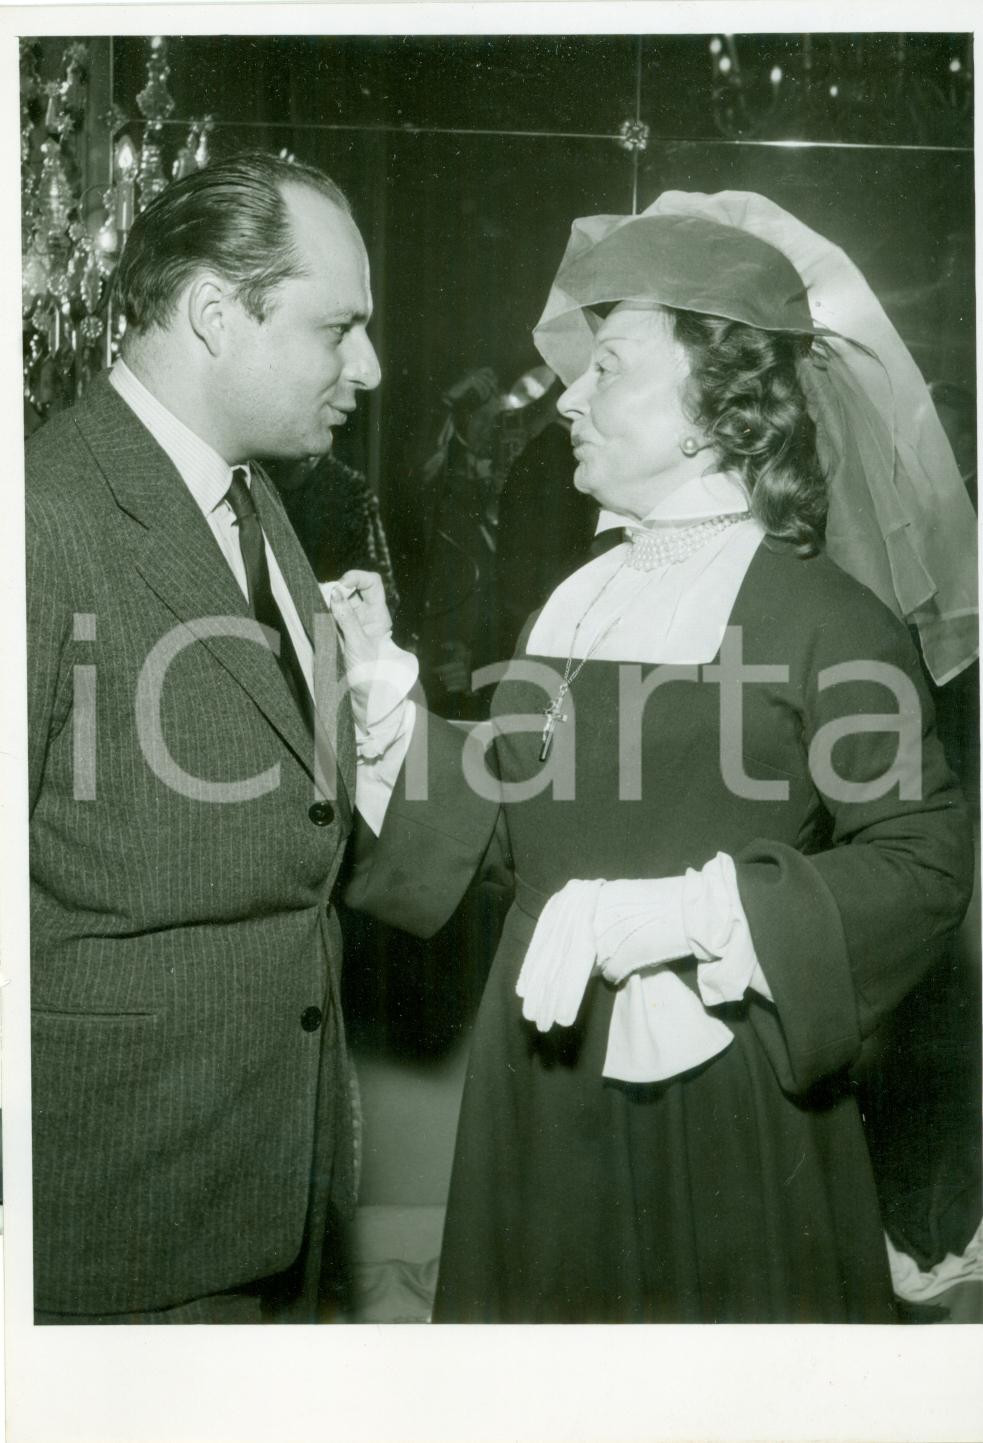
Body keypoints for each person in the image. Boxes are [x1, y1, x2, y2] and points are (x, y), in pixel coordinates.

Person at [340, 190, 978, 1322]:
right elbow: (507, 832)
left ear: (710, 407)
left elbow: (924, 866)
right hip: (535, 1081)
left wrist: (694, 915)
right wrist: (391, 714)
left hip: (714, 1099)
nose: (569, 398)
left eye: (610, 368)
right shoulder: (575, 599)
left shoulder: (825, 619)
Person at [26, 151, 402, 1323]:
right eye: (337, 327)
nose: (369, 367)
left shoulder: (254, 498)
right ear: (211, 312)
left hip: (265, 1188)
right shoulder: (41, 519)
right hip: (117, 1217)